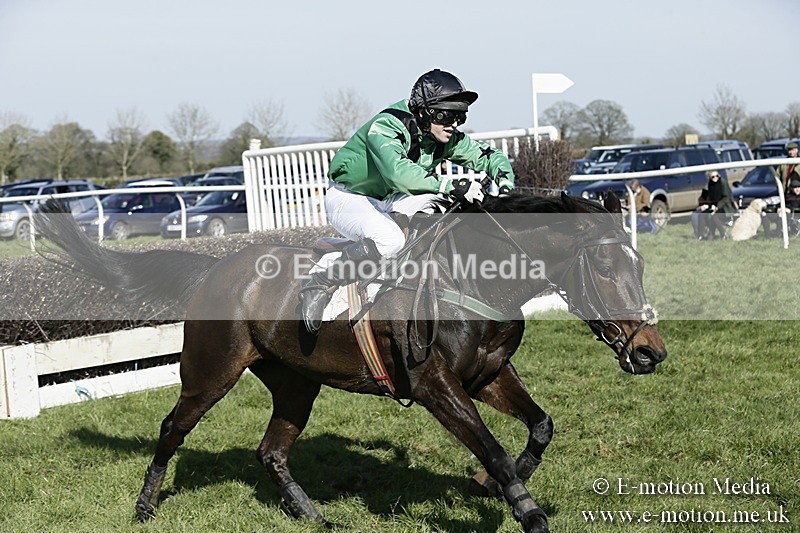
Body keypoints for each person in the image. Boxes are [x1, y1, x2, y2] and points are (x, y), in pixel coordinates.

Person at [300, 69, 515, 334]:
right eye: (445, 115)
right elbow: (397, 172)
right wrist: (451, 184)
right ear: (424, 112)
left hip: (391, 197)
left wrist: (506, 188)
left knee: (447, 210)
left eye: (459, 116)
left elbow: (489, 157)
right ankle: (320, 282)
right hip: (349, 196)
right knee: (390, 241)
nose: (453, 124)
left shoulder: (444, 136)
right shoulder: (387, 125)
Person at [691, 170, 736, 240]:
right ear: (709, 177)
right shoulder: (709, 184)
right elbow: (703, 197)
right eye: (713, 177)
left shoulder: (723, 183)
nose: (715, 178)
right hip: (711, 207)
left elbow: (726, 198)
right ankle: (700, 235)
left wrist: (717, 207)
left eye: (717, 176)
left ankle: (718, 234)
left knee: (711, 215)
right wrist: (703, 204)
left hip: (724, 208)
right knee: (696, 215)